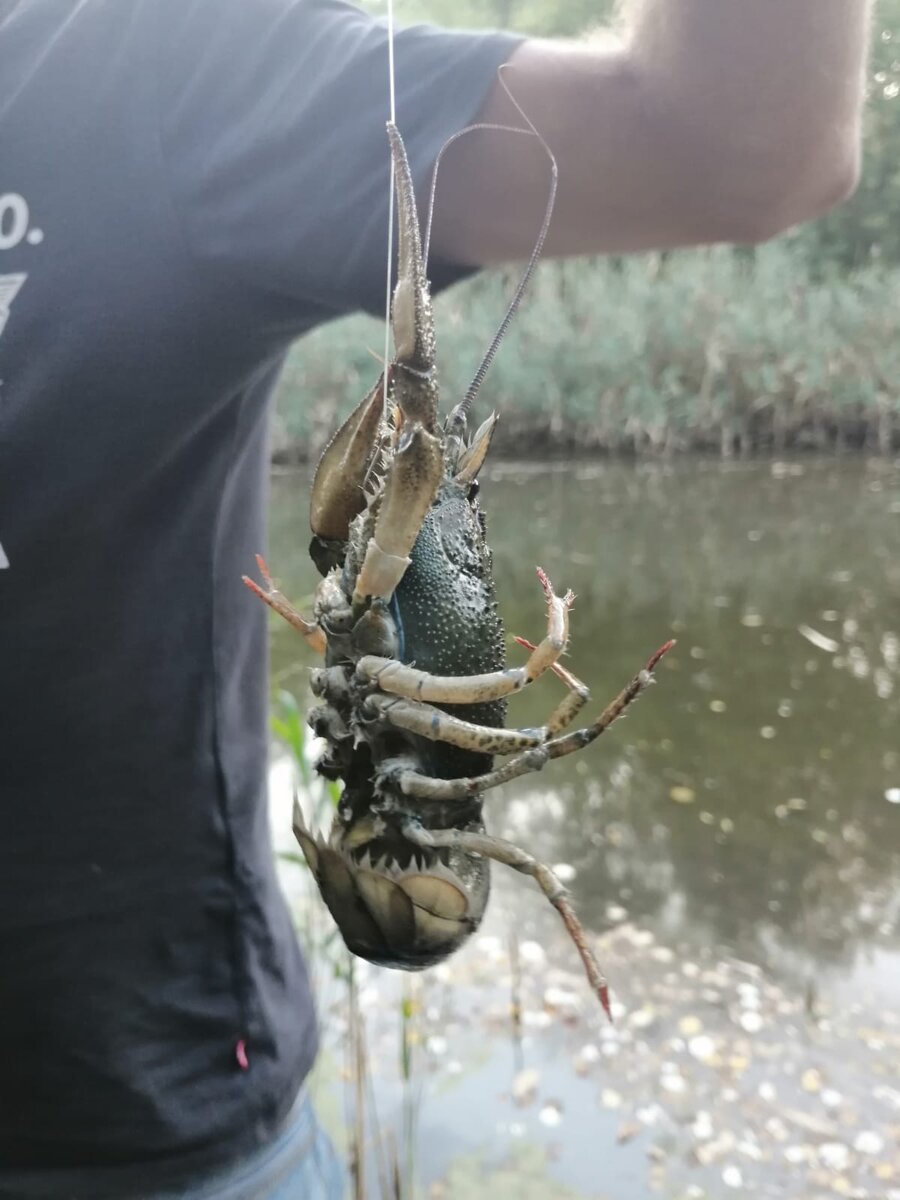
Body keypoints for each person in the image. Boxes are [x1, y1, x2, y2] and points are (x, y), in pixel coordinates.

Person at [0, 0, 870, 1196]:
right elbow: (526, 702)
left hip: (139, 1132)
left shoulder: (137, 59)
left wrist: (422, 515)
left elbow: (743, 143)